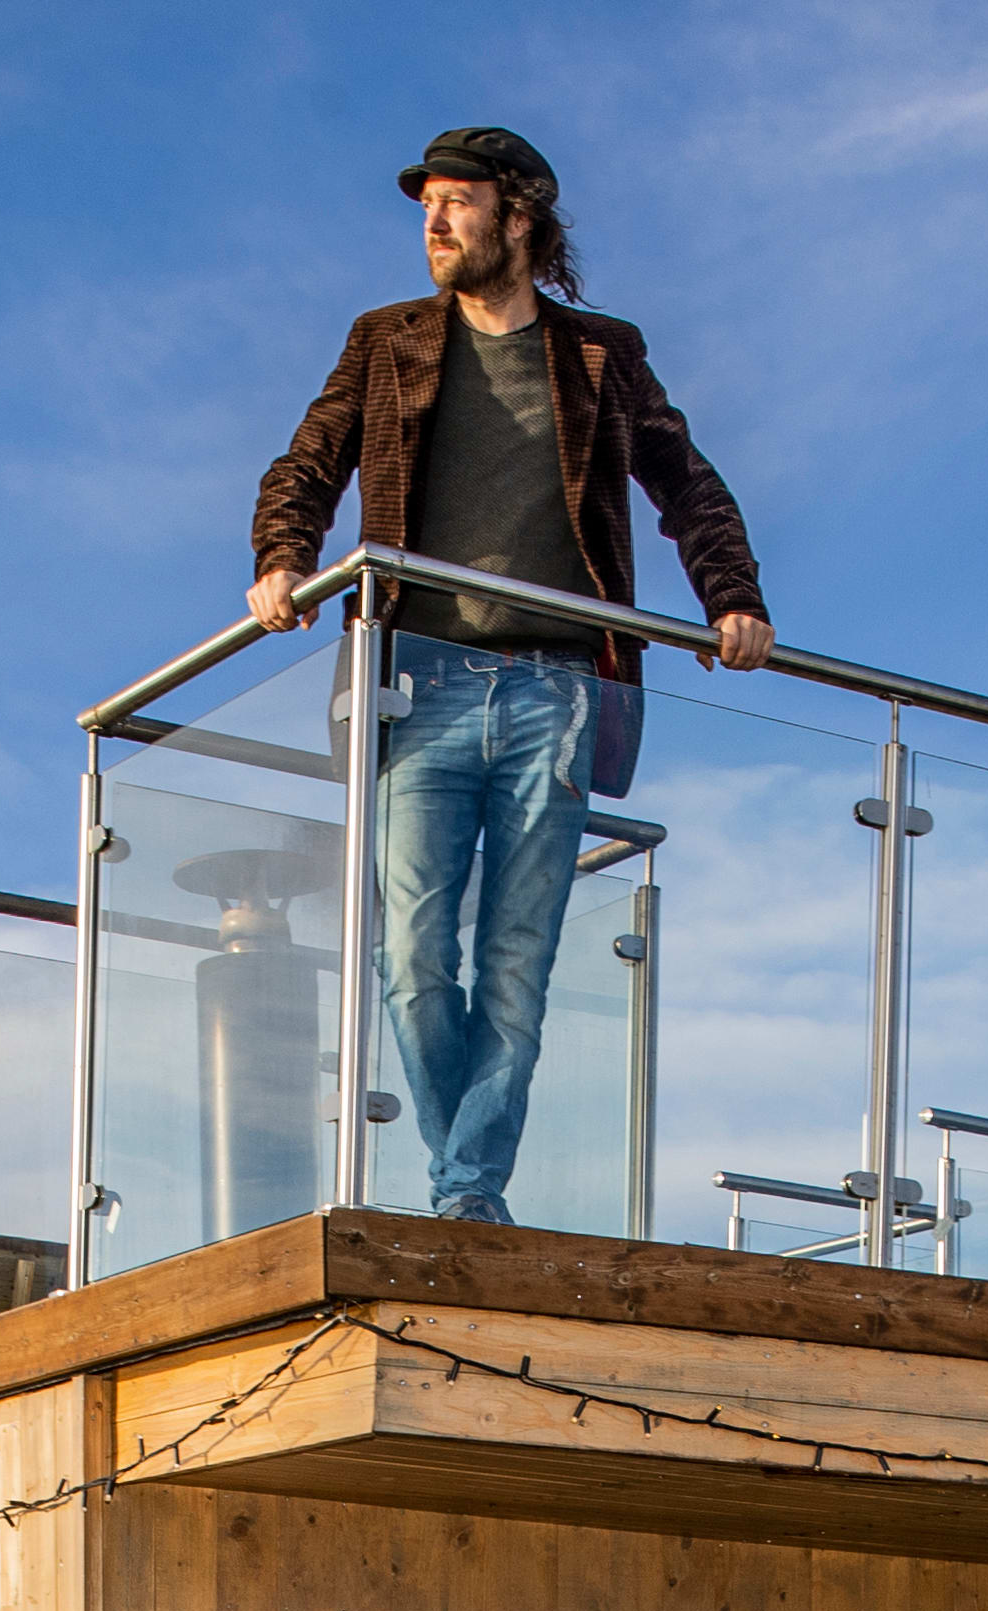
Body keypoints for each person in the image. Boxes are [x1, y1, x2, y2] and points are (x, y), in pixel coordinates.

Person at [249, 126, 771, 1223]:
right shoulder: (384, 340)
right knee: (409, 956)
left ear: (517, 216)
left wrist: (731, 596)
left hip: (557, 689)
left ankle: (466, 1193)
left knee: (518, 961)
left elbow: (685, 479)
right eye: (425, 205)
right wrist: (283, 558)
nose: (433, 225)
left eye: (456, 203)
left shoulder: (598, 354)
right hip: (419, 684)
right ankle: (467, 1183)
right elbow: (309, 456)